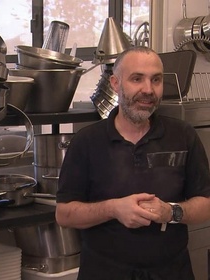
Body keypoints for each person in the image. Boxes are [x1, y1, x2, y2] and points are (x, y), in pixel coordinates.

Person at [56, 46, 210, 280]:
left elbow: (205, 204)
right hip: (104, 273)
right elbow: (64, 214)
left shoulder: (183, 135)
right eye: (137, 79)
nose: (148, 90)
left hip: (171, 272)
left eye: (156, 80)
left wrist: (171, 212)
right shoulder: (86, 141)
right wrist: (114, 209)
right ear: (116, 84)